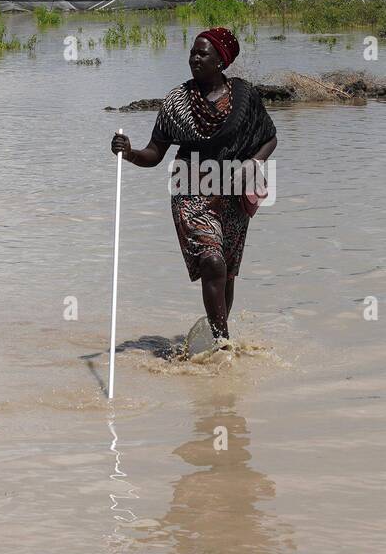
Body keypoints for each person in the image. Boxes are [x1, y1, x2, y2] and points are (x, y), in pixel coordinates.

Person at [110, 27, 277, 347]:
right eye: (192, 53)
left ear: (221, 61)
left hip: (232, 196)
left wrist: (253, 164)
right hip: (190, 193)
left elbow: (270, 138)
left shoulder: (244, 97)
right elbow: (154, 154)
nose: (195, 59)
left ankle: (215, 339)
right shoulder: (177, 102)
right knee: (212, 261)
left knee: (226, 273)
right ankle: (223, 342)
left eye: (203, 54)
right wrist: (129, 153)